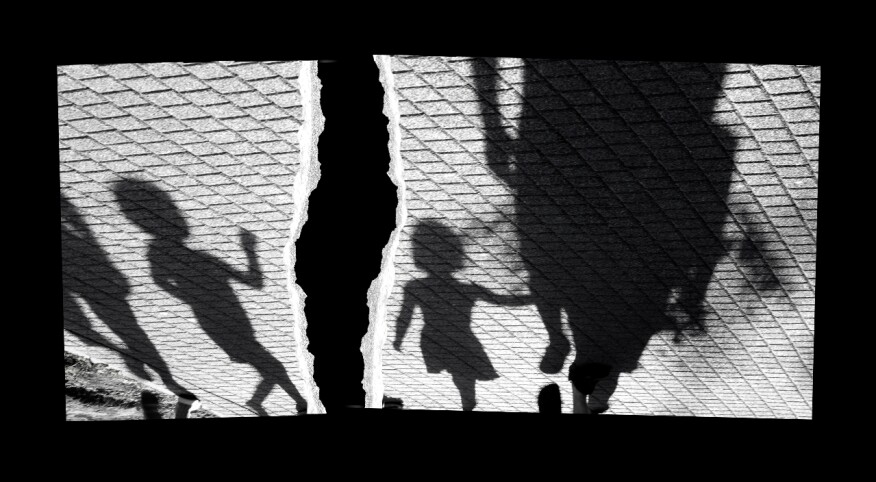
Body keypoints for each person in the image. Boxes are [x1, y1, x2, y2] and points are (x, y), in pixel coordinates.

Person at [393, 220, 530, 411]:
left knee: (459, 370)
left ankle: (468, 400)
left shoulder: (416, 287)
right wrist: (533, 298)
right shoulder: (465, 289)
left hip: (434, 337)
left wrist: (398, 339)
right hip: (460, 337)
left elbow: (405, 315)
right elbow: (501, 300)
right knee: (462, 369)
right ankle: (468, 399)